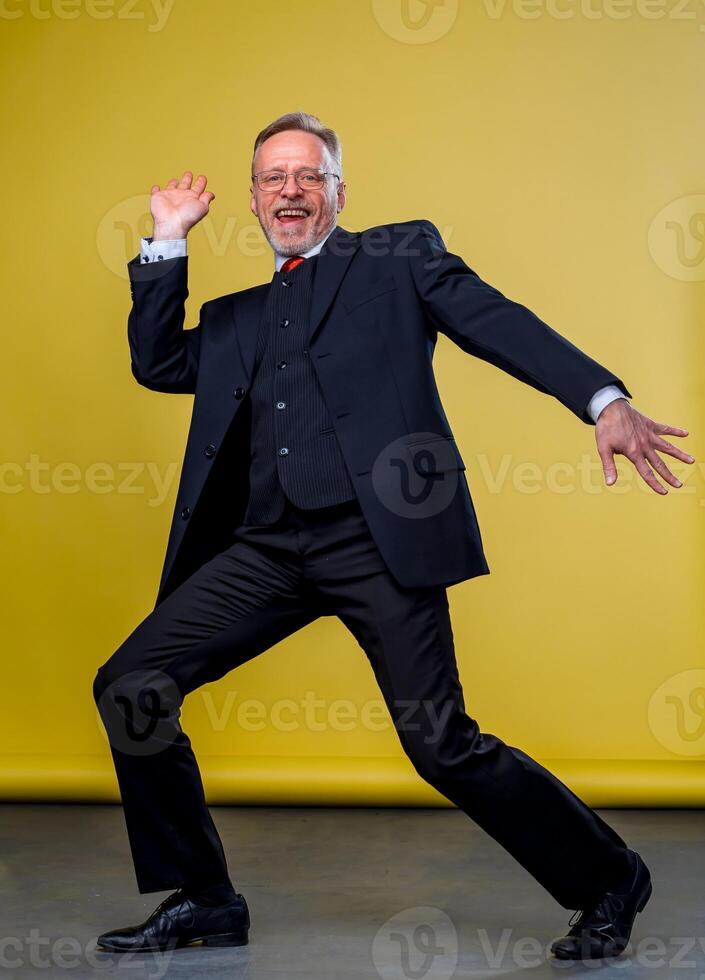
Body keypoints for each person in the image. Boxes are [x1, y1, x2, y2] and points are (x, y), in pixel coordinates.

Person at [93, 111, 692, 959]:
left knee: (440, 745)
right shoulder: (236, 319)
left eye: (308, 175)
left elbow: (499, 322)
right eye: (273, 178)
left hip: (377, 545)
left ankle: (607, 878)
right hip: (265, 551)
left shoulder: (396, 260)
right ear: (256, 200)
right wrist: (165, 238)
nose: (290, 190)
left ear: (338, 192)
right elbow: (157, 363)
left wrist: (603, 400)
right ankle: (204, 898)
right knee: (131, 686)